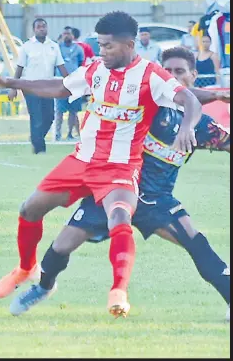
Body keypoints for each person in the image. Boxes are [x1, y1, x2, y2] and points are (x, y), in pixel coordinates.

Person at [0, 11, 203, 318]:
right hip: (81, 161)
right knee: (29, 209)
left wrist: (187, 128)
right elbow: (59, 86)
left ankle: (118, 292)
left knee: (120, 219)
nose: (101, 52)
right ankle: (25, 268)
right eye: (99, 45)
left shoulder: (152, 76)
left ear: (129, 45)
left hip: (119, 167)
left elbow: (190, 100)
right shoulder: (96, 69)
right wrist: (10, 81)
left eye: (107, 46)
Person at [12, 47, 230, 322]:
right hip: (113, 187)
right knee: (61, 246)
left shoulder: (201, 126)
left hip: (156, 201)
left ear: (193, 75)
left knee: (197, 243)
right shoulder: (145, 104)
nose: (173, 76)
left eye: (180, 72)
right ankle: (43, 287)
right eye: (168, 71)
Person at [10, 18, 68, 154]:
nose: (42, 29)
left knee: (49, 117)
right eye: (39, 27)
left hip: (48, 87)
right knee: (36, 117)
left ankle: (36, 137)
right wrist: (13, 88)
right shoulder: (27, 46)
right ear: (34, 29)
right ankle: (40, 150)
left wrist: (71, 83)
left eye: (44, 26)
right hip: (31, 87)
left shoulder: (54, 46)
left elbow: (61, 66)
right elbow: (19, 68)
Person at [55, 27, 84, 141]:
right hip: (61, 83)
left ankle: (70, 133)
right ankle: (57, 133)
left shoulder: (78, 49)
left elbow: (81, 64)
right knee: (59, 110)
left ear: (73, 36)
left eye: (69, 34)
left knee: (73, 110)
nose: (67, 36)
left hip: (75, 84)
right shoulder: (57, 48)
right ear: (62, 35)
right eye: (65, 34)